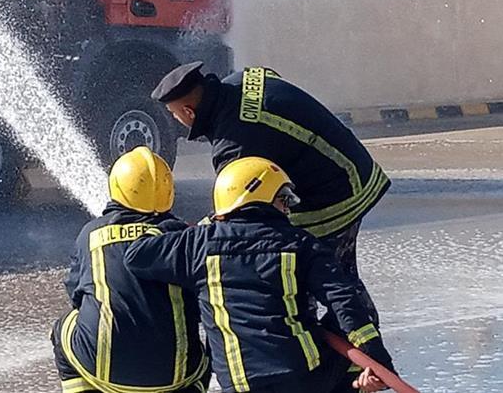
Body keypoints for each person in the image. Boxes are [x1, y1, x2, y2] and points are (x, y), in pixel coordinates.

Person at [124, 157, 396, 393]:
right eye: (283, 199)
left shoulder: (197, 244)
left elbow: (136, 255)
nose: (287, 208)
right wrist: (377, 361)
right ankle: (359, 382)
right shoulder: (301, 244)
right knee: (350, 326)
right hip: (303, 377)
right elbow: (345, 298)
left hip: (240, 382)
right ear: (261, 198)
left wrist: (193, 225)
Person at [151, 62, 390, 325]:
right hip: (352, 161)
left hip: (336, 193)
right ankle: (352, 329)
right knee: (330, 273)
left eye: (174, 114)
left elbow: (237, 213)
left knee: (307, 278)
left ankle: (355, 337)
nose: (175, 120)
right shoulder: (241, 79)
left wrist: (192, 234)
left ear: (188, 112)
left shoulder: (233, 145)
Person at [51, 146, 209, 393]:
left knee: (63, 327)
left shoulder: (90, 233)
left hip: (105, 371)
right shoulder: (182, 236)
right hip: (174, 377)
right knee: (210, 343)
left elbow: (76, 294)